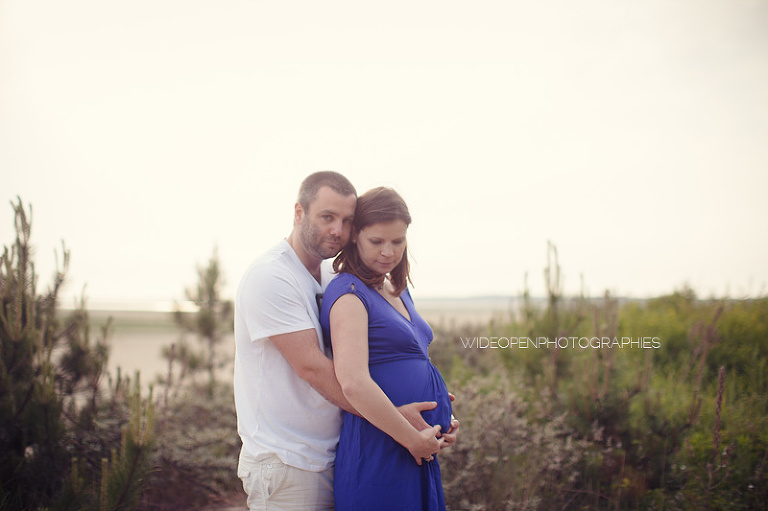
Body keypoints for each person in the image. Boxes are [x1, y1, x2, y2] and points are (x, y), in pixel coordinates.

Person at [233, 172, 455, 511]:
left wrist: (435, 403)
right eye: (327, 217)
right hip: (288, 459)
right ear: (299, 212)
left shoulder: (325, 275)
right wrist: (400, 421)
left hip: (329, 449)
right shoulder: (271, 276)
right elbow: (314, 368)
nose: (338, 229)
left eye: (346, 220)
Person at [320, 187, 453, 511]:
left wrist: (439, 420)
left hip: (415, 446)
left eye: (398, 241)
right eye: (376, 241)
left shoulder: (395, 289)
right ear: (355, 237)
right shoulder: (349, 294)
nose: (388, 252)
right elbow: (353, 382)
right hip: (380, 446)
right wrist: (412, 438)